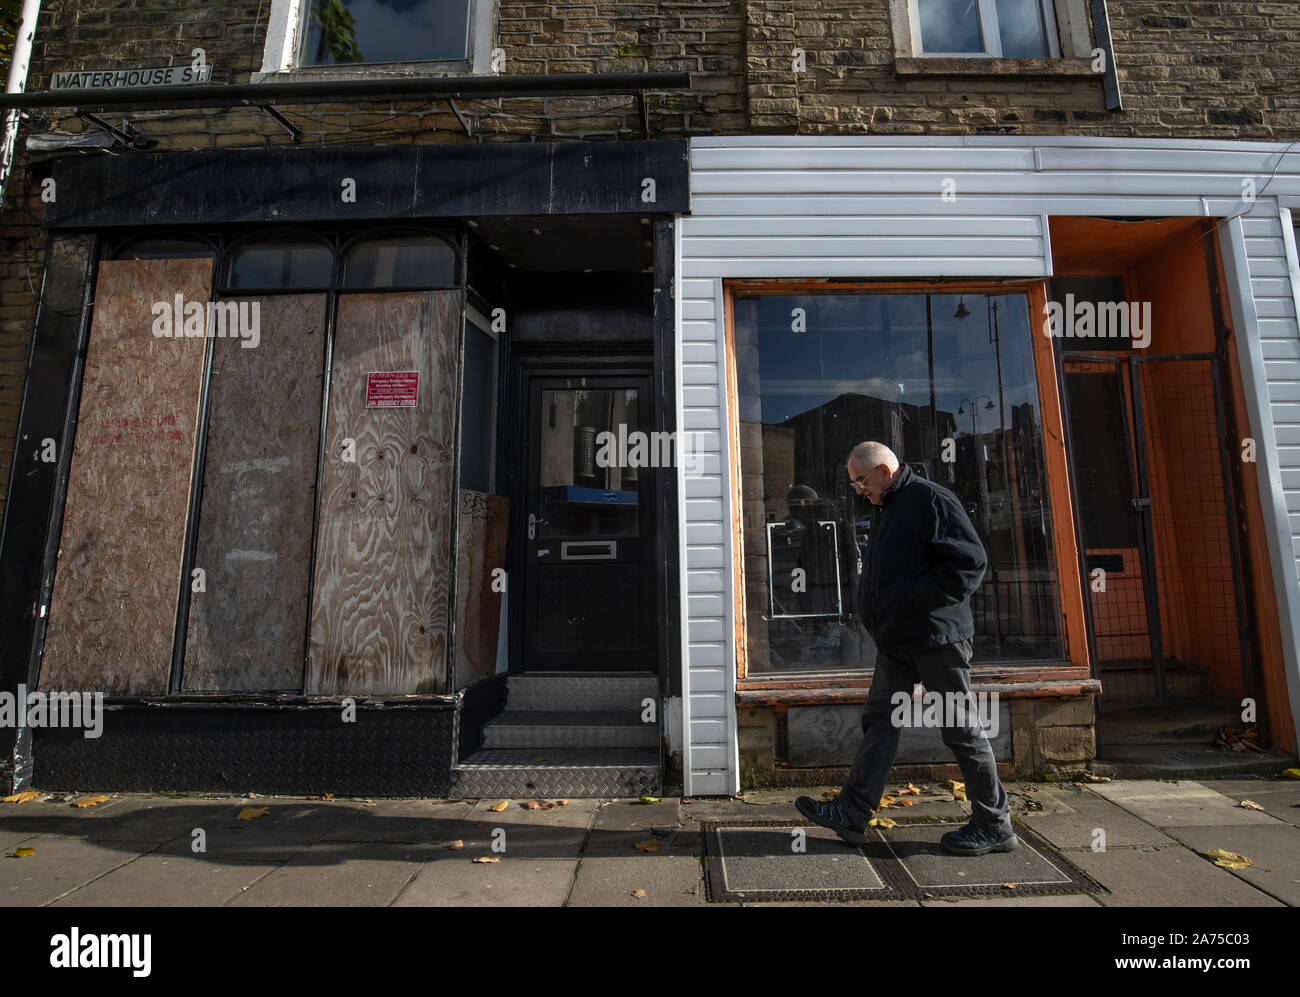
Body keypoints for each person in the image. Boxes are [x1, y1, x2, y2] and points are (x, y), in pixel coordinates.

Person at [795, 440, 1018, 856]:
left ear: (885, 470)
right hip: (898, 640)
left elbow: (969, 563)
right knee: (880, 720)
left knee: (961, 729)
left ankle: (994, 823)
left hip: (937, 639)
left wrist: (912, 599)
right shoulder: (886, 506)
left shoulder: (930, 499)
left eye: (862, 481)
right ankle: (853, 810)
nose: (859, 490)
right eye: (854, 484)